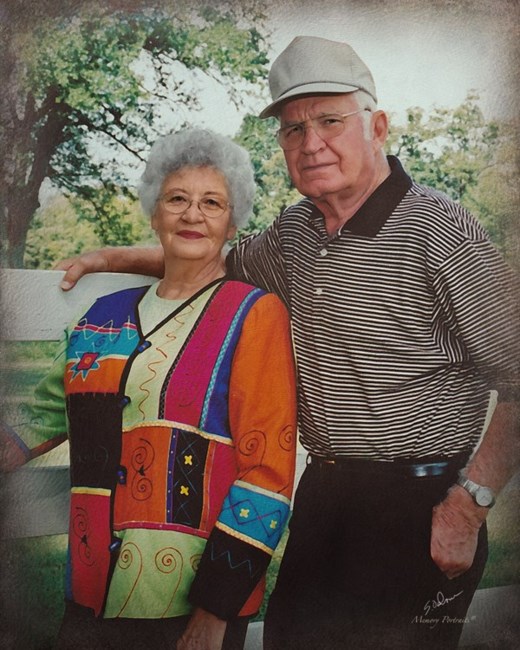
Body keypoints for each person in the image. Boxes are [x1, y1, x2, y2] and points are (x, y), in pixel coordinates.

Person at [55, 36, 519, 649]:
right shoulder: (295, 232)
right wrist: (108, 257)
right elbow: (206, 257)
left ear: (378, 127)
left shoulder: (443, 230)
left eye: (330, 121)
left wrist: (469, 505)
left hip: (420, 505)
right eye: (293, 129)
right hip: (322, 497)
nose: (311, 143)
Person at [0, 128, 297, 650]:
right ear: (154, 213)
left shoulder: (252, 314)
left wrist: (215, 610)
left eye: (212, 202)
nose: (192, 214)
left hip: (188, 604)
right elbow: (43, 414)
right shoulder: (103, 317)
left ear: (232, 222)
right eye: (176, 199)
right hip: (90, 589)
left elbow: (267, 473)